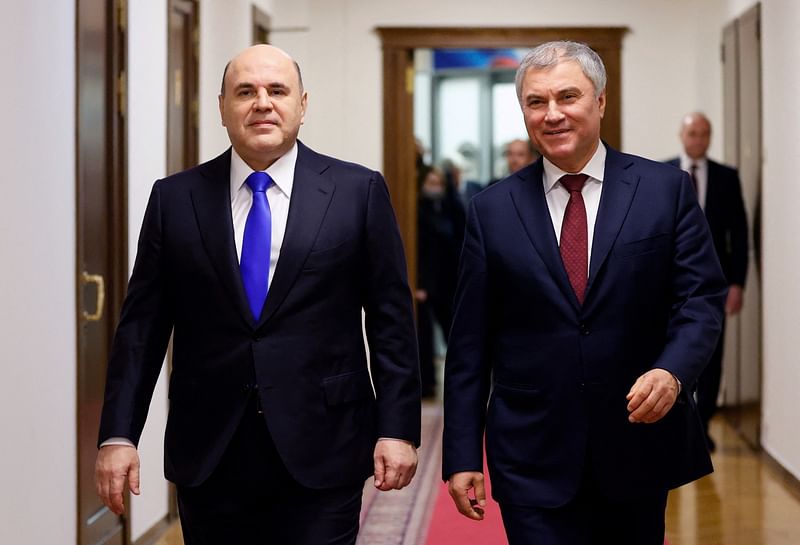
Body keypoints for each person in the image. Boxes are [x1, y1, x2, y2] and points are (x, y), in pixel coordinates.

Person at [94, 44, 421, 545]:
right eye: (245, 91)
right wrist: (119, 434)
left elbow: (391, 321)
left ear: (303, 105)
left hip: (325, 443)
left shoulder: (358, 192)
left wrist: (397, 428)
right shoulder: (174, 199)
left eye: (277, 90)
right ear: (222, 107)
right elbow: (142, 329)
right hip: (211, 449)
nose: (262, 103)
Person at [442, 41, 727, 545]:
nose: (552, 114)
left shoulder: (665, 190)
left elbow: (700, 299)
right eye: (536, 102)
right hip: (530, 452)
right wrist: (462, 454)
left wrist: (673, 370)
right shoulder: (492, 211)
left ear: (599, 101)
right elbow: (469, 344)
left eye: (567, 96)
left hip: (636, 444)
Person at [666, 112, 749, 451]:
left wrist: (737, 283)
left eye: (704, 134)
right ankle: (674, 425)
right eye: (692, 133)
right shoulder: (664, 173)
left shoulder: (727, 177)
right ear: (681, 134)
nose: (698, 139)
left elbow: (740, 235)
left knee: (711, 352)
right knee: (671, 349)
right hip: (670, 281)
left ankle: (702, 426)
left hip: (714, 281)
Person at [416, 166, 464, 398]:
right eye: (431, 181)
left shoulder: (452, 209)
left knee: (454, 335)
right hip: (425, 284)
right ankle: (427, 384)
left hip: (450, 282)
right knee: (423, 337)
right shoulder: (417, 210)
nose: (434, 186)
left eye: (439, 182)